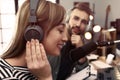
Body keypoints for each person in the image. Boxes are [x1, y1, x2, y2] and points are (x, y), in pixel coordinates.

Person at [0, 0, 67, 80]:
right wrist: (46, 78)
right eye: (60, 30)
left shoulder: (38, 70)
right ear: (35, 32)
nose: (65, 38)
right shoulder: (7, 76)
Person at [56, 3, 93, 80]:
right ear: (68, 19)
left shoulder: (78, 41)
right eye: (76, 18)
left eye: (83, 22)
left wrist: (81, 49)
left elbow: (84, 74)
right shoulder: (56, 39)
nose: (78, 24)